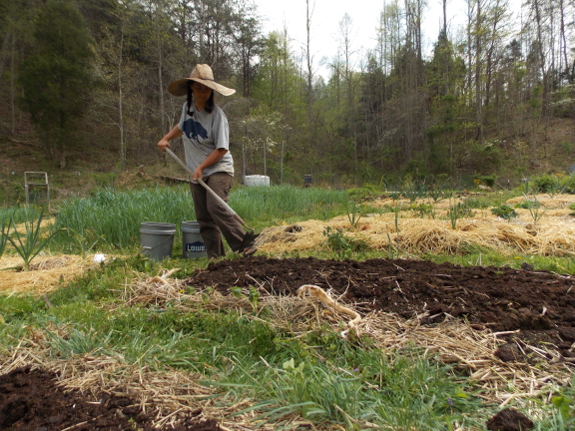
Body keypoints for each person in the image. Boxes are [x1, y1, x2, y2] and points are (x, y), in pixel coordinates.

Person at [157, 64, 257, 258]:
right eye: (198, 87)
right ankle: (216, 258)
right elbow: (182, 126)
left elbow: (221, 149)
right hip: (196, 171)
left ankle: (245, 244)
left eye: (206, 88)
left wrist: (202, 166)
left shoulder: (218, 116)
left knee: (216, 206)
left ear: (212, 90)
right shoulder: (187, 108)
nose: (203, 92)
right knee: (204, 217)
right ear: (191, 89)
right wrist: (166, 138)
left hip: (219, 168)